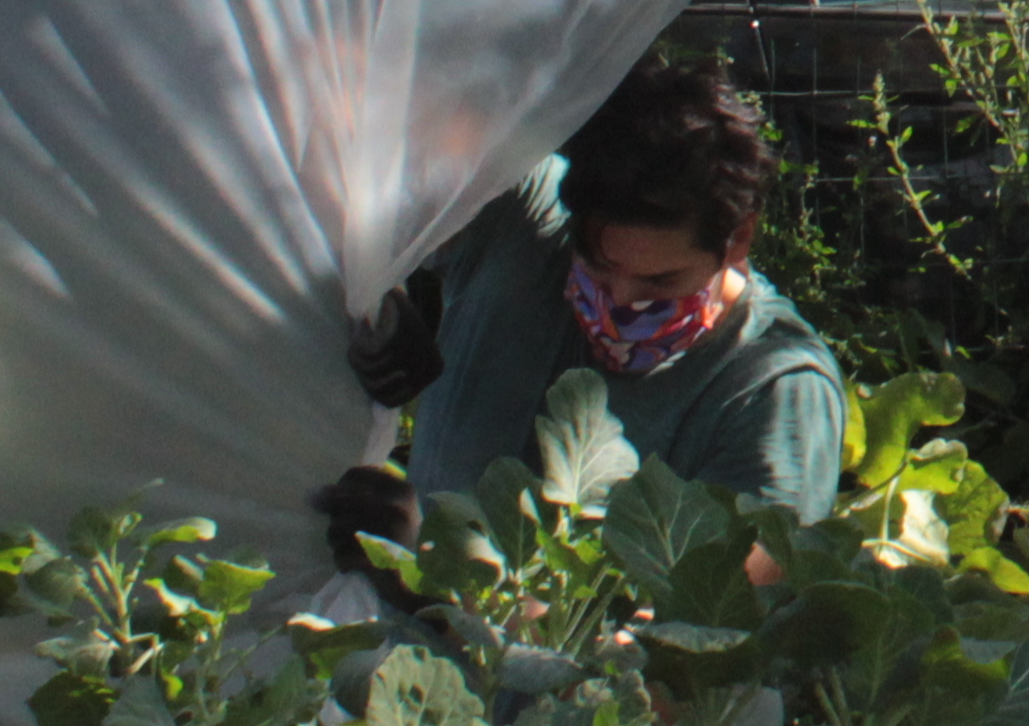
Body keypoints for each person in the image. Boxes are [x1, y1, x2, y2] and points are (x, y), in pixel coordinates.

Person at [322, 62, 846, 545]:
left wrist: (440, 561)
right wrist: (380, 290)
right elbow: (352, 111)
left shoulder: (775, 391)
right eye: (598, 264)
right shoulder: (524, 225)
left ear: (738, 240)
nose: (622, 301)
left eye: (662, 281)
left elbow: (722, 622)